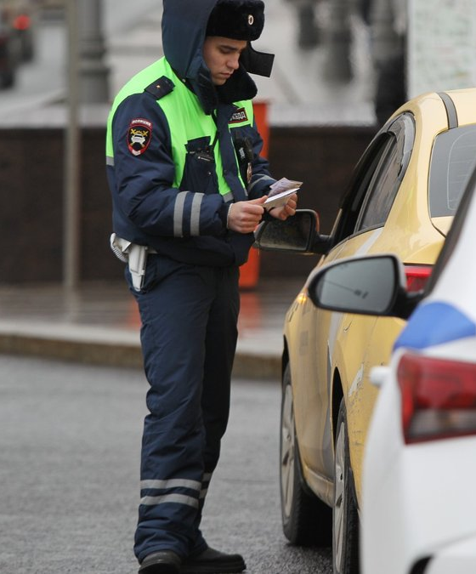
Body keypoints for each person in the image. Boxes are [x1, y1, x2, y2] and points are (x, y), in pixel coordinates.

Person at [105, 1, 297, 572]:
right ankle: (159, 546)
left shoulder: (229, 95)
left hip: (217, 267)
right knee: (177, 404)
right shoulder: (147, 103)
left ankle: (185, 536)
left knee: (211, 408)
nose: (233, 64)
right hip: (169, 269)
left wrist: (270, 193)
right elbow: (139, 201)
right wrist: (223, 213)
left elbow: (246, 166)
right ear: (193, 41)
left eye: (239, 53)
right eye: (225, 51)